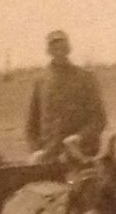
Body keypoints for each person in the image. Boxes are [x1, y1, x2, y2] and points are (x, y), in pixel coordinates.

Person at [24, 30, 107, 160]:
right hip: (49, 154)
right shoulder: (41, 80)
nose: (59, 52)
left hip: (82, 152)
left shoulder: (85, 77)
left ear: (69, 49)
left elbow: (99, 119)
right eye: (55, 48)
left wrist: (80, 137)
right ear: (48, 51)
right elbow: (31, 124)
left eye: (63, 48)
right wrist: (36, 151)